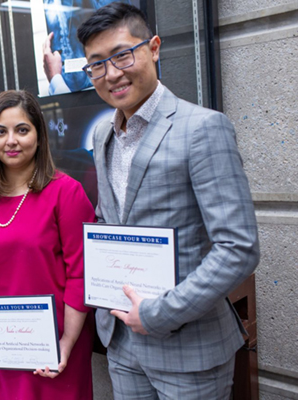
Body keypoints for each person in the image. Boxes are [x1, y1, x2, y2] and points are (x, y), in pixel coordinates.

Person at [78, 3, 259, 399]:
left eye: (123, 54)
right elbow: (110, 224)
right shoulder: (102, 137)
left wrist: (159, 313)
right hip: (122, 342)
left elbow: (238, 248)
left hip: (188, 349)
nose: (111, 74)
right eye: (97, 64)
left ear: (154, 48)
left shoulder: (202, 128)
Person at [0, 90, 95, 399]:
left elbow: (81, 276)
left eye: (22, 130)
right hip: (1, 348)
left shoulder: (66, 193)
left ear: (39, 136)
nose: (10, 140)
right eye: (1, 132)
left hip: (54, 348)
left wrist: (65, 343)